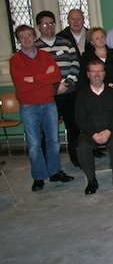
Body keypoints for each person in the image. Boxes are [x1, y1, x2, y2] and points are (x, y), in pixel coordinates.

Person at [10, 25, 73, 192]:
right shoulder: (15, 60)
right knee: (34, 144)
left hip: (48, 103)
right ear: (18, 40)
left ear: (34, 36)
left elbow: (55, 76)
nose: (26, 39)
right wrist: (43, 79)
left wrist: (33, 79)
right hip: (29, 106)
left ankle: (54, 172)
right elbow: (21, 85)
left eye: (29, 35)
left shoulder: (45, 56)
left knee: (53, 140)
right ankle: (38, 177)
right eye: (22, 37)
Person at [34, 10, 81, 169]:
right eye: (45, 23)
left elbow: (75, 64)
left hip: (69, 93)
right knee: (48, 132)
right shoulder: (35, 47)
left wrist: (65, 83)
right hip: (48, 95)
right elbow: (37, 74)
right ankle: (49, 165)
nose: (49, 26)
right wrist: (55, 87)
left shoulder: (66, 42)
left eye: (51, 23)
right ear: (39, 26)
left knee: (74, 128)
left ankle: (77, 159)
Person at [75, 59, 113, 194]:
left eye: (100, 71)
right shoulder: (82, 95)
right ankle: (91, 180)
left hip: (111, 130)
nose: (97, 74)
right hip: (90, 133)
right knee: (82, 147)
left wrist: (108, 131)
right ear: (88, 74)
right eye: (93, 71)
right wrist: (93, 134)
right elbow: (80, 118)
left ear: (104, 73)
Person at [79, 27, 113, 99]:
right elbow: (84, 75)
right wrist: (104, 85)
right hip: (96, 92)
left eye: (102, 37)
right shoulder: (86, 56)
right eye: (97, 38)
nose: (101, 40)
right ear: (92, 42)